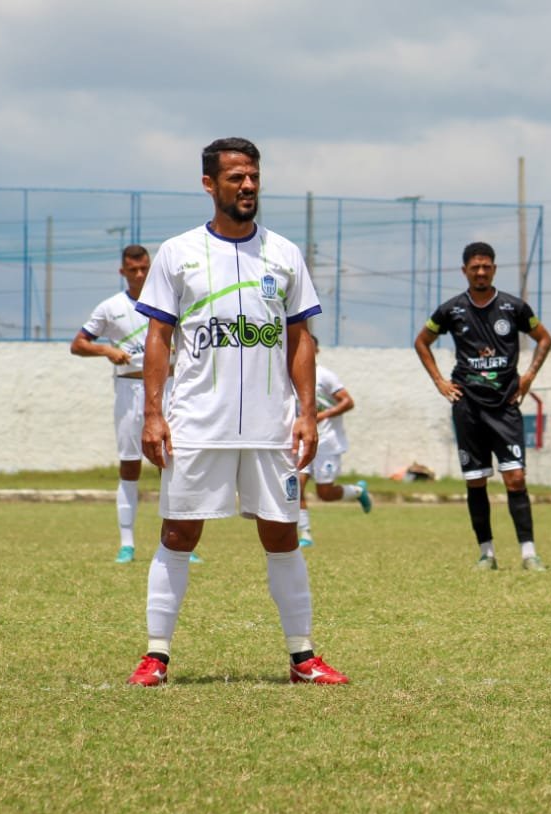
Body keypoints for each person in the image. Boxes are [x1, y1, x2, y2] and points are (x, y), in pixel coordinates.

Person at [127, 137, 348, 686]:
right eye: (235, 178)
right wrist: (154, 414)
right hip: (198, 422)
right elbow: (158, 336)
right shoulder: (178, 253)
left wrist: (307, 412)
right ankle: (156, 656)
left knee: (283, 534)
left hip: (272, 427)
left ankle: (303, 658)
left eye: (253, 177)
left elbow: (301, 339)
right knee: (179, 534)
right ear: (210, 184)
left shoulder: (284, 253)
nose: (247, 186)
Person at [414, 241, 551, 571]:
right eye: (474, 267)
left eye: (486, 266)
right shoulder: (451, 311)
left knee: (515, 479)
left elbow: (544, 338)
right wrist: (439, 382)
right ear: (464, 271)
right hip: (468, 407)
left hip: (505, 405)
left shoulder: (514, 308)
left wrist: (529, 376)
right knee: (475, 480)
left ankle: (529, 553)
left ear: (493, 268)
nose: (480, 272)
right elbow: (422, 342)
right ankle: (486, 553)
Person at [70, 245, 157, 564]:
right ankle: (128, 542)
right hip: (129, 388)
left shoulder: (169, 300)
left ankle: (179, 542)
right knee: (130, 464)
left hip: (170, 388)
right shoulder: (111, 307)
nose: (140, 274)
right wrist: (107, 351)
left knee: (173, 465)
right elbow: (78, 343)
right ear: (122, 272)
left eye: (144, 268)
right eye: (133, 269)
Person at [297, 336, 372, 548]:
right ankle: (305, 535)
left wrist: (324, 414)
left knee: (325, 493)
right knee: (296, 486)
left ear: (317, 351)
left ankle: (358, 491)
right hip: (303, 440)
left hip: (327, 442)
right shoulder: (290, 375)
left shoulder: (325, 376)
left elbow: (348, 402)